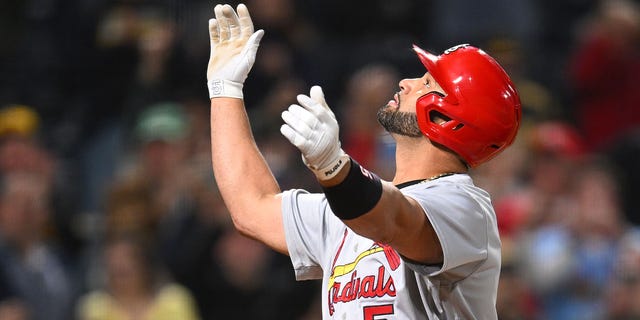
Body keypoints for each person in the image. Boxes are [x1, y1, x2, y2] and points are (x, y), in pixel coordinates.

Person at [206, 4, 521, 319]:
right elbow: (251, 206)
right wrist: (225, 91)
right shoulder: (349, 208)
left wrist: (334, 165)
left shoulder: (464, 206)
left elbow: (392, 220)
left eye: (426, 83)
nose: (405, 83)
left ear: (447, 118)